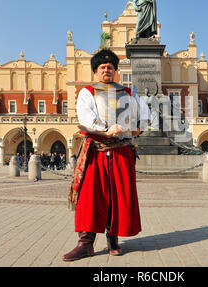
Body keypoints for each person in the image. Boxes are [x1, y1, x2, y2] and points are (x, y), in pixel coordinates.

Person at [63, 49, 150, 262]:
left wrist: (138, 128)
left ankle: (113, 240)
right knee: (90, 197)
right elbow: (86, 116)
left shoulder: (129, 93)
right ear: (95, 71)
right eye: (102, 68)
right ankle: (85, 244)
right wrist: (106, 129)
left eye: (110, 67)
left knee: (117, 197)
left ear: (115, 71)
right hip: (96, 151)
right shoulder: (88, 92)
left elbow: (145, 115)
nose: (106, 71)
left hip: (121, 151)